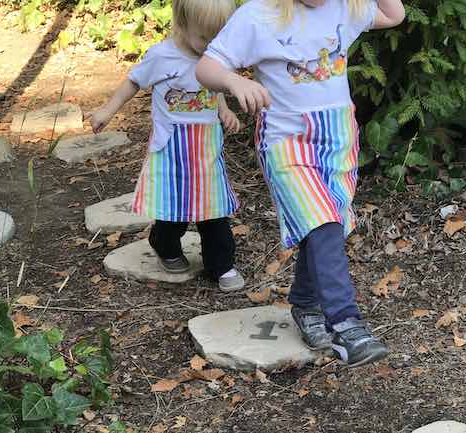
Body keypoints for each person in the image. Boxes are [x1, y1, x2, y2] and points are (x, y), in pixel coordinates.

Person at [195, 0, 405, 366]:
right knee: (321, 222)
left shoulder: (344, 7)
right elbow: (207, 66)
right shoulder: (258, 15)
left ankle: (306, 304)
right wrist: (233, 80)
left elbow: (393, 15)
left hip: (338, 139)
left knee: (328, 226)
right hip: (287, 142)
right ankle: (345, 324)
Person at [90, 0, 245, 292]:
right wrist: (107, 111)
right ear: (183, 25)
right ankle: (165, 245)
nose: (211, 46)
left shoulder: (214, 54)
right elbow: (132, 83)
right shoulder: (162, 56)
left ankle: (221, 265)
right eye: (204, 38)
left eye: (218, 38)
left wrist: (224, 109)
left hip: (206, 150)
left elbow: (215, 87)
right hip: (172, 147)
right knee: (173, 208)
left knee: (214, 210)